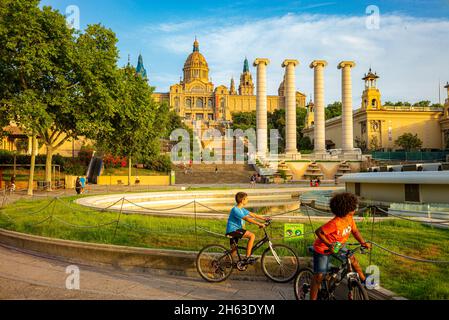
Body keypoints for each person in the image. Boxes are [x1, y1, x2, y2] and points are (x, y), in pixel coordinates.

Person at [310, 192, 371, 300]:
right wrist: (329, 245)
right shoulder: (335, 223)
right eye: (352, 208)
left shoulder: (350, 219)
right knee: (318, 277)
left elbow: (355, 232)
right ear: (345, 209)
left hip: (338, 245)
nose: (355, 210)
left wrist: (363, 243)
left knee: (352, 259)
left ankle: (363, 279)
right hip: (323, 248)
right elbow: (318, 232)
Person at [225, 192, 270, 264]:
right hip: (233, 230)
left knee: (233, 252)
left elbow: (253, 215)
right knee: (252, 236)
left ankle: (222, 265)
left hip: (236, 230)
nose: (248, 200)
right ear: (242, 200)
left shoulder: (241, 209)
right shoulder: (235, 209)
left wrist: (265, 219)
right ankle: (247, 257)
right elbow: (246, 218)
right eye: (247, 199)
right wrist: (259, 224)